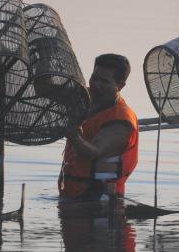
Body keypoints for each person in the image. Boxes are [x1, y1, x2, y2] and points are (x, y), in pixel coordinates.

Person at [58, 53, 139, 201]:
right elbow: (45, 89)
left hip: (100, 205)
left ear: (120, 85)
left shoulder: (122, 120)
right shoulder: (83, 98)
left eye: (104, 82)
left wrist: (74, 136)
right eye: (94, 78)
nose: (96, 85)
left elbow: (93, 153)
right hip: (70, 195)